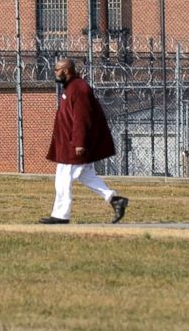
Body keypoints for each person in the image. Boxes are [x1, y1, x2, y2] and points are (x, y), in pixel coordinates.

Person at [38, 58, 128, 225]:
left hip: (74, 146)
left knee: (63, 180)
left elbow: (82, 118)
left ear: (66, 70)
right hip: (69, 144)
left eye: (57, 69)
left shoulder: (79, 89)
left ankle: (61, 215)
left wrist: (79, 142)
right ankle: (115, 200)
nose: (55, 72)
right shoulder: (72, 88)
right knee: (87, 176)